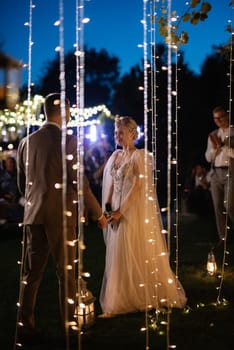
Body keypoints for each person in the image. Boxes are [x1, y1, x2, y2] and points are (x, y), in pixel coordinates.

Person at [16, 93, 107, 343]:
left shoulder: (26, 142)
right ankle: (69, 327)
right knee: (66, 273)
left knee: (31, 274)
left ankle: (25, 324)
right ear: (64, 112)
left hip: (33, 215)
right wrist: (97, 212)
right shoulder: (69, 141)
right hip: (60, 216)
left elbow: (22, 185)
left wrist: (36, 201)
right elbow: (81, 184)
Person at [99, 116, 187, 318]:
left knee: (136, 249)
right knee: (118, 254)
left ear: (132, 133)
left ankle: (143, 294)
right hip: (116, 210)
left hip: (134, 210)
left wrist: (122, 210)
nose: (117, 136)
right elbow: (111, 186)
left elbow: (138, 186)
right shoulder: (115, 156)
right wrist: (108, 210)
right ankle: (118, 298)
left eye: (121, 132)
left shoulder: (141, 156)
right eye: (115, 132)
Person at [205, 106, 234, 246]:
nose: (218, 120)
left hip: (231, 171)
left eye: (220, 117)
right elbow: (208, 158)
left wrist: (222, 146)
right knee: (217, 206)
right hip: (216, 172)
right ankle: (223, 238)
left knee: (229, 205)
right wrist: (214, 148)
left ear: (227, 115)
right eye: (215, 118)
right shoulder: (213, 134)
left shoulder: (233, 132)